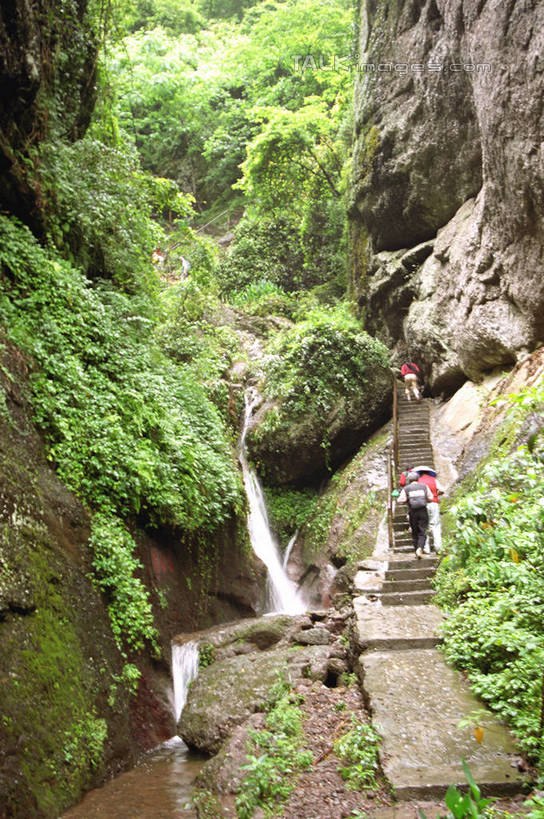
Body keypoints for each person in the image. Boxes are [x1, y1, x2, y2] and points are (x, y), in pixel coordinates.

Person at [397, 471, 433, 558]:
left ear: (409, 480)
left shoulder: (406, 488)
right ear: (418, 478)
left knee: (414, 532)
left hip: (412, 512)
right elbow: (431, 498)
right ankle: (420, 548)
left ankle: (416, 549)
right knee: (423, 531)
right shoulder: (424, 486)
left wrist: (407, 500)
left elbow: (400, 500)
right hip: (423, 511)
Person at [418, 472, 445, 553]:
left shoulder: (418, 481)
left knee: (424, 526)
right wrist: (436, 494)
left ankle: (426, 548)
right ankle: (438, 547)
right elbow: (442, 490)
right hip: (434, 503)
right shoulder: (433, 480)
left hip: (423, 504)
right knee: (435, 524)